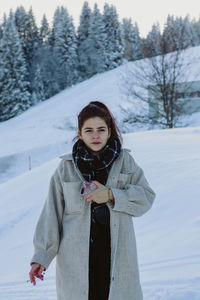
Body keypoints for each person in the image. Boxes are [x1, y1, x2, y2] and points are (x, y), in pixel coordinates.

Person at [29, 101, 156, 300]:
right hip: (76, 260)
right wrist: (41, 258)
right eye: (89, 130)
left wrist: (111, 195)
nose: (95, 135)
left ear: (109, 132)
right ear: (80, 133)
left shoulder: (125, 162)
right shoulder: (66, 168)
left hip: (116, 257)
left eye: (101, 129)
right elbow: (51, 214)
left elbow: (146, 197)